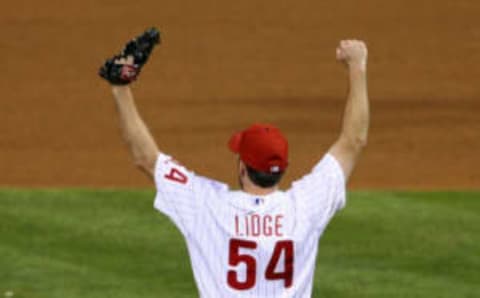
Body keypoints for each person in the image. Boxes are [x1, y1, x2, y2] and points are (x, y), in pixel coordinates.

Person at [99, 28, 369, 298]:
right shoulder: (306, 206)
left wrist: (120, 87)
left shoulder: (207, 205)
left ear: (242, 168)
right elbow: (353, 141)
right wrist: (357, 66)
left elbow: (145, 158)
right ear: (283, 168)